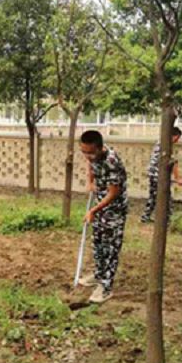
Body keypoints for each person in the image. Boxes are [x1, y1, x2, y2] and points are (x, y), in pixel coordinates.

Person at [78, 130, 128, 304]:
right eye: (84, 152)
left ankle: (106, 286)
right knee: (98, 242)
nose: (87, 156)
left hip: (114, 210)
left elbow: (113, 193)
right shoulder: (93, 157)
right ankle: (98, 274)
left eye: (90, 152)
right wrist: (90, 182)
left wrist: (93, 210)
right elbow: (91, 165)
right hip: (100, 207)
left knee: (110, 248)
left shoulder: (112, 162)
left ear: (100, 148)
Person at [141, 127, 182, 224]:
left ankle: (145, 217)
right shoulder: (165, 145)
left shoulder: (161, 142)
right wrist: (178, 178)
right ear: (174, 136)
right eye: (177, 137)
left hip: (153, 173)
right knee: (166, 197)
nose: (178, 140)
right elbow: (172, 162)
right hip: (157, 175)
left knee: (153, 196)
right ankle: (168, 220)